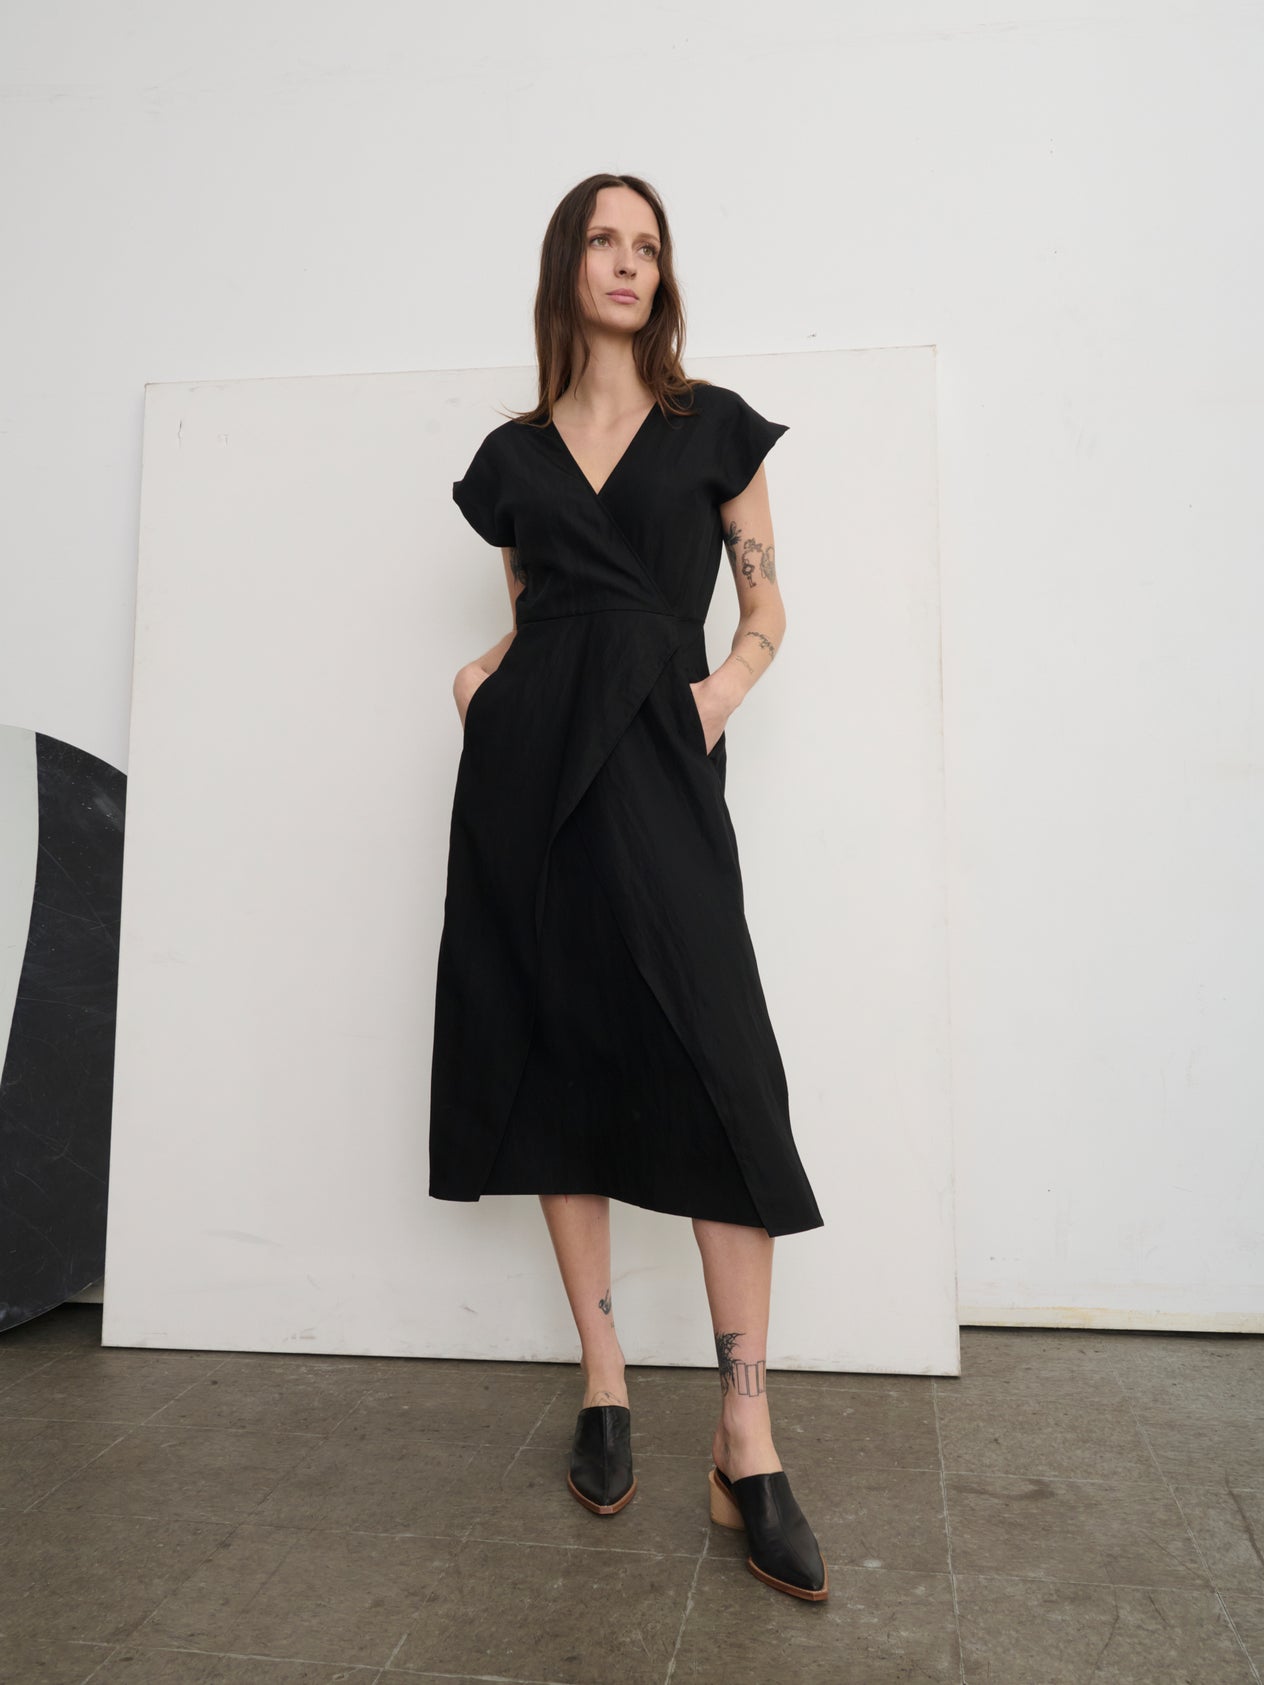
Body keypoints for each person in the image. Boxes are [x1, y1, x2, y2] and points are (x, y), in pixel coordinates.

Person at [429, 172, 827, 1601]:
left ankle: (748, 1434)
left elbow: (768, 603)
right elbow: (537, 610)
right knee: (560, 1048)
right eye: (604, 239)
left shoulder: (709, 425)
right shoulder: (514, 456)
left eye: (648, 245)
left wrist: (712, 696)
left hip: (658, 752)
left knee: (723, 1062)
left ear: (666, 275)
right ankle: (605, 1377)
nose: (627, 261)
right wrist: (486, 673)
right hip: (532, 766)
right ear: (567, 265)